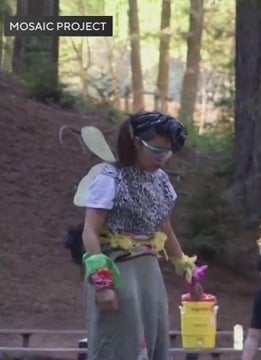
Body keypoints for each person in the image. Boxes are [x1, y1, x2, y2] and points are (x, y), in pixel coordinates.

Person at [81, 111, 198, 360]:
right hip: (119, 274)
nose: (162, 159)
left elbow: (164, 227)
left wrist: (185, 266)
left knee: (153, 341)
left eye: (167, 152)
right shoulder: (110, 179)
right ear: (136, 143)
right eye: (156, 150)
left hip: (149, 275)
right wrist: (103, 284)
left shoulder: (161, 181)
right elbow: (89, 232)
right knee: (121, 345)